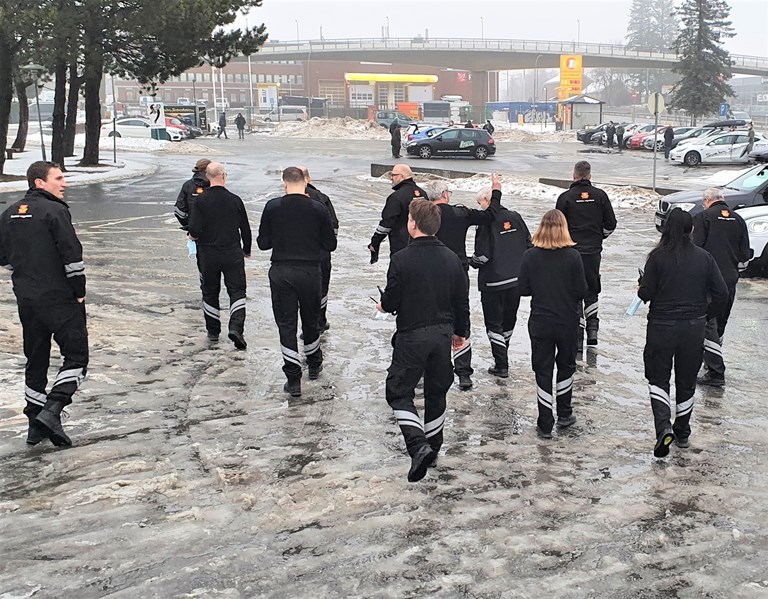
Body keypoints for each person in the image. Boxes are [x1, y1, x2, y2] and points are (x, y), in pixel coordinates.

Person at [376, 199, 469, 482]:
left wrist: (383, 305)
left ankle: (417, 444)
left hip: (412, 335)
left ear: (413, 224)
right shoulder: (452, 258)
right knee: (436, 391)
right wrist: (461, 333)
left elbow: (392, 299)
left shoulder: (401, 258)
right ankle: (434, 447)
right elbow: (461, 302)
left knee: (398, 391)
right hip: (442, 334)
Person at [0, 161, 88, 448]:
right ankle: (52, 411)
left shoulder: (10, 212)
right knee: (76, 357)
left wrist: (23, 270)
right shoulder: (55, 211)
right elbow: (72, 254)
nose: (64, 183)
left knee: (36, 358)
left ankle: (34, 425)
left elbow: (3, 256)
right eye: (58, 178)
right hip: (60, 297)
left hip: (27, 298)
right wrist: (79, 290)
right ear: (40, 183)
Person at [638, 209, 728, 457]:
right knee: (686, 381)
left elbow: (646, 294)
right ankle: (683, 432)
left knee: (658, 378)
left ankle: (663, 427)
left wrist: (641, 287)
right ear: (691, 230)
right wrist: (705, 315)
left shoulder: (656, 258)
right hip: (693, 327)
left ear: (665, 229)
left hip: (661, 327)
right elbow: (722, 293)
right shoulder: (705, 258)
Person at [257, 167, 337, 398]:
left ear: (284, 183)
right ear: (305, 182)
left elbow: (263, 243)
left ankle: (293, 379)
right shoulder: (319, 208)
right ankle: (313, 364)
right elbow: (330, 244)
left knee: (286, 324)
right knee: (311, 320)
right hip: (310, 271)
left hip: (281, 271)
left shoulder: (272, 207)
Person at [518, 210, 587, 439]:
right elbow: (581, 291)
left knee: (543, 370)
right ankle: (565, 414)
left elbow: (523, 289)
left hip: (540, 321)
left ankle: (545, 422)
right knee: (566, 366)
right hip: (567, 321)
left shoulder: (530, 256)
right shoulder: (573, 256)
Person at [426, 178, 496, 390]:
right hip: (457, 271)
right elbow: (489, 215)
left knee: (431, 317)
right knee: (460, 317)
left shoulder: (425, 215)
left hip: (431, 272)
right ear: (445, 194)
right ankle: (463, 372)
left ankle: (430, 368)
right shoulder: (459, 213)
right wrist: (497, 191)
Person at [470, 180, 532, 378]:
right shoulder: (516, 217)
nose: (481, 208)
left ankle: (501, 364)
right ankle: (503, 354)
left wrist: (466, 261)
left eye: (481, 203)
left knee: (493, 323)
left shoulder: (485, 223)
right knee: (508, 321)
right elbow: (529, 244)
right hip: (516, 280)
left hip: (493, 282)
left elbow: (483, 256)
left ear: (487, 199)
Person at [188, 162, 251, 350]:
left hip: (208, 254)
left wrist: (193, 236)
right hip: (232, 252)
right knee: (237, 291)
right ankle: (236, 328)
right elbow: (245, 228)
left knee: (209, 291)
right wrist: (246, 249)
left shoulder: (199, 200)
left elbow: (195, 229)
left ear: (207, 177)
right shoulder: (235, 200)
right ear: (224, 176)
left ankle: (213, 331)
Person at [555, 161, 616, 350]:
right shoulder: (600, 196)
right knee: (592, 289)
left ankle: (578, 337)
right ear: (589, 176)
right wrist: (599, 238)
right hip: (593, 252)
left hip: (571, 253)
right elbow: (611, 223)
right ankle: (592, 331)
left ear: (574, 175)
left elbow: (557, 227)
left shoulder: (565, 198)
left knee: (574, 292)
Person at [692, 188, 750, 387]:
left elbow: (696, 250)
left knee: (708, 324)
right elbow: (745, 255)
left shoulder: (703, 218)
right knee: (720, 324)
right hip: (730, 280)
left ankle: (716, 372)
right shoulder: (738, 219)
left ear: (707, 201)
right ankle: (710, 364)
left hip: (709, 281)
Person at [300, 166, 339, 331]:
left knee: (303, 290)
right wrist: (328, 244)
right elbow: (334, 225)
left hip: (298, 254)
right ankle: (320, 321)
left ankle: (306, 323)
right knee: (322, 287)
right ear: (309, 178)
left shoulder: (285, 201)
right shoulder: (322, 198)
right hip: (321, 253)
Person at [368, 164, 428, 264]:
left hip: (401, 247)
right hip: (423, 246)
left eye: (393, 175)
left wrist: (375, 242)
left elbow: (386, 223)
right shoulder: (423, 194)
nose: (391, 178)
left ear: (402, 176)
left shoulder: (396, 197)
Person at [174, 158, 210, 231]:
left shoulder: (187, 185)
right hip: (213, 231)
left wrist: (190, 225)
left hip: (193, 230)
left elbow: (179, 210)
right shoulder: (215, 185)